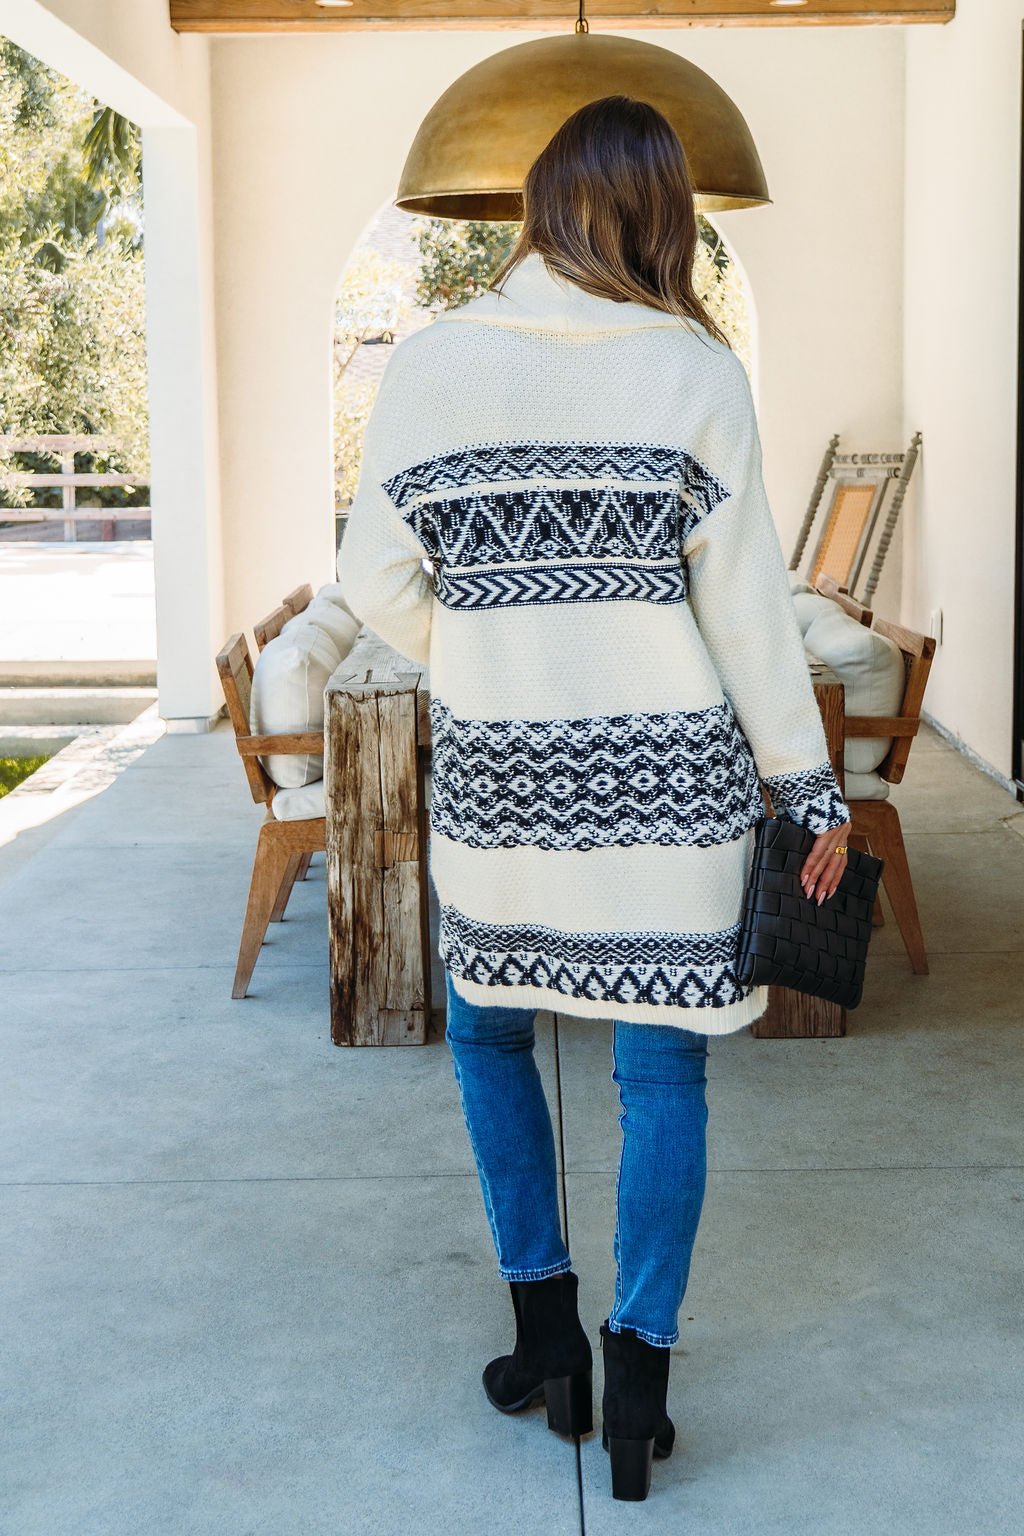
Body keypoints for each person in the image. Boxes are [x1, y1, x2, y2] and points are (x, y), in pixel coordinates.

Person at [339, 94, 853, 1502]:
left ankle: (542, 1335)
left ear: (539, 210)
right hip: (672, 786)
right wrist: (812, 792)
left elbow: (371, 582)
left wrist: (501, 654)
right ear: (660, 218)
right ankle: (639, 1381)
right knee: (660, 1069)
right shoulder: (694, 368)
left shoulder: (436, 365)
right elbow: (750, 616)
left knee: (493, 1040)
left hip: (506, 790)